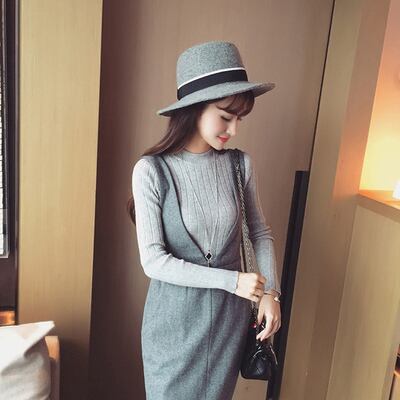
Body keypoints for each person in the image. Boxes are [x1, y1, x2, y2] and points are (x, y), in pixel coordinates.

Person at [128, 41, 282, 400]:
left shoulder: (239, 165)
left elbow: (260, 232)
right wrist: (233, 281)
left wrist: (271, 293)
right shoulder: (151, 171)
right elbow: (153, 261)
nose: (234, 129)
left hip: (227, 323)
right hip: (173, 327)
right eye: (225, 116)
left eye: (239, 119)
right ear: (194, 108)